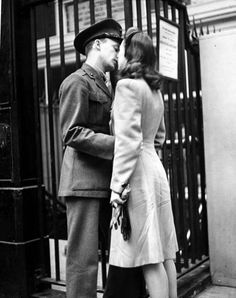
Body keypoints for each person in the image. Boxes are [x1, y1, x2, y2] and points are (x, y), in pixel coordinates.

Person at [58, 19, 146, 298]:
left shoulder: (108, 85)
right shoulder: (76, 81)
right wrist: (119, 145)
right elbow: (71, 133)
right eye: (114, 46)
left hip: (105, 181)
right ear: (96, 45)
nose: (118, 53)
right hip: (82, 182)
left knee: (119, 255)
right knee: (82, 261)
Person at [105, 28, 179, 298]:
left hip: (137, 172)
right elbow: (159, 137)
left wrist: (117, 187)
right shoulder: (154, 90)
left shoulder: (126, 86)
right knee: (165, 252)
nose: (120, 55)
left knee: (149, 256)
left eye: (123, 49)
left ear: (130, 53)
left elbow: (127, 143)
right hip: (155, 168)